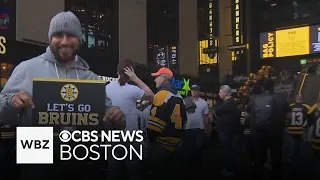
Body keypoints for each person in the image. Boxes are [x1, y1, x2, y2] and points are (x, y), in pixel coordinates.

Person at [0, 11, 125, 180]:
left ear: (79, 39)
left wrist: (116, 119)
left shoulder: (92, 78)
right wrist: (11, 103)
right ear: (50, 38)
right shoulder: (27, 69)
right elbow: (2, 114)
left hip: (82, 158)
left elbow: (107, 122)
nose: (65, 41)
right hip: (37, 157)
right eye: (58, 35)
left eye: (71, 35)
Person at [105, 59, 154, 180]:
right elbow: (152, 96)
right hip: (131, 136)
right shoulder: (133, 90)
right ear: (130, 73)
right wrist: (135, 78)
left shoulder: (107, 88)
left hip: (112, 135)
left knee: (113, 171)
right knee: (133, 172)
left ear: (117, 71)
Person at [146, 67, 187, 180]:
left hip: (161, 145)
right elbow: (184, 121)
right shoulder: (179, 97)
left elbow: (154, 125)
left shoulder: (161, 94)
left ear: (163, 79)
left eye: (157, 77)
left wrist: (150, 139)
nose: (155, 80)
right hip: (177, 146)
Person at [246, 78, 290, 180]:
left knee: (259, 158)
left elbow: (247, 115)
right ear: (273, 87)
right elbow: (289, 116)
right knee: (276, 156)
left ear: (262, 87)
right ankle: (276, 175)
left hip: (258, 133)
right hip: (276, 133)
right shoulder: (281, 98)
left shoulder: (254, 99)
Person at [215, 85, 240, 176]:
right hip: (227, 131)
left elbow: (217, 110)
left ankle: (229, 170)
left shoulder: (229, 103)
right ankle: (229, 168)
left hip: (227, 131)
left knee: (227, 151)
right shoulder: (230, 103)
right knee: (227, 150)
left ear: (225, 93)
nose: (219, 94)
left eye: (220, 92)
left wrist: (217, 101)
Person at [184, 84, 209, 169]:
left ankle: (198, 165)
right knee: (189, 147)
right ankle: (188, 165)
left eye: (195, 90)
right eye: (192, 90)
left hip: (199, 128)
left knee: (198, 147)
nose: (193, 91)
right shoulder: (185, 101)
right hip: (188, 128)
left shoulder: (204, 103)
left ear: (199, 91)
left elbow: (205, 116)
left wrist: (207, 128)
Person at [287, 94, 312, 170]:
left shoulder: (290, 106)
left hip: (291, 129)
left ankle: (292, 158)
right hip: (301, 130)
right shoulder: (306, 107)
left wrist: (287, 127)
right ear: (302, 99)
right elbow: (310, 119)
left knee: (294, 143)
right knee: (301, 144)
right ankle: (299, 161)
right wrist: (305, 127)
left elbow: (286, 117)